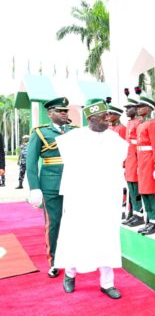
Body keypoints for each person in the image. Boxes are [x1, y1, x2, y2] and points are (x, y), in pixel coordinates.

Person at [54, 98, 128, 299]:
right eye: (104, 115)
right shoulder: (73, 138)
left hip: (106, 199)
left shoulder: (116, 140)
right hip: (81, 199)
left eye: (108, 114)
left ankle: (107, 283)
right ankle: (69, 275)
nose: (108, 118)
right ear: (91, 118)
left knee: (106, 237)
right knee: (77, 235)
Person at [26, 97, 76, 278]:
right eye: (59, 111)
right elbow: (31, 163)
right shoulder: (40, 133)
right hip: (50, 185)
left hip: (73, 184)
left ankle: (73, 257)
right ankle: (54, 261)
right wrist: (34, 188)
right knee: (53, 223)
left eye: (65, 111)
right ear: (50, 113)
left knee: (73, 222)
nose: (63, 113)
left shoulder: (75, 132)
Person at [136, 95, 155, 235]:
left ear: (148, 109)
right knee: (144, 192)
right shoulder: (141, 124)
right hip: (142, 162)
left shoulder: (153, 124)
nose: (138, 109)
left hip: (150, 163)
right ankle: (150, 220)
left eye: (141, 107)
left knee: (152, 193)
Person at [121, 89, 144, 227]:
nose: (126, 110)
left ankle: (139, 214)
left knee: (136, 188)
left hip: (136, 159)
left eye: (129, 108)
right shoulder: (130, 123)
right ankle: (134, 212)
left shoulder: (138, 122)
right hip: (129, 159)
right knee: (131, 187)